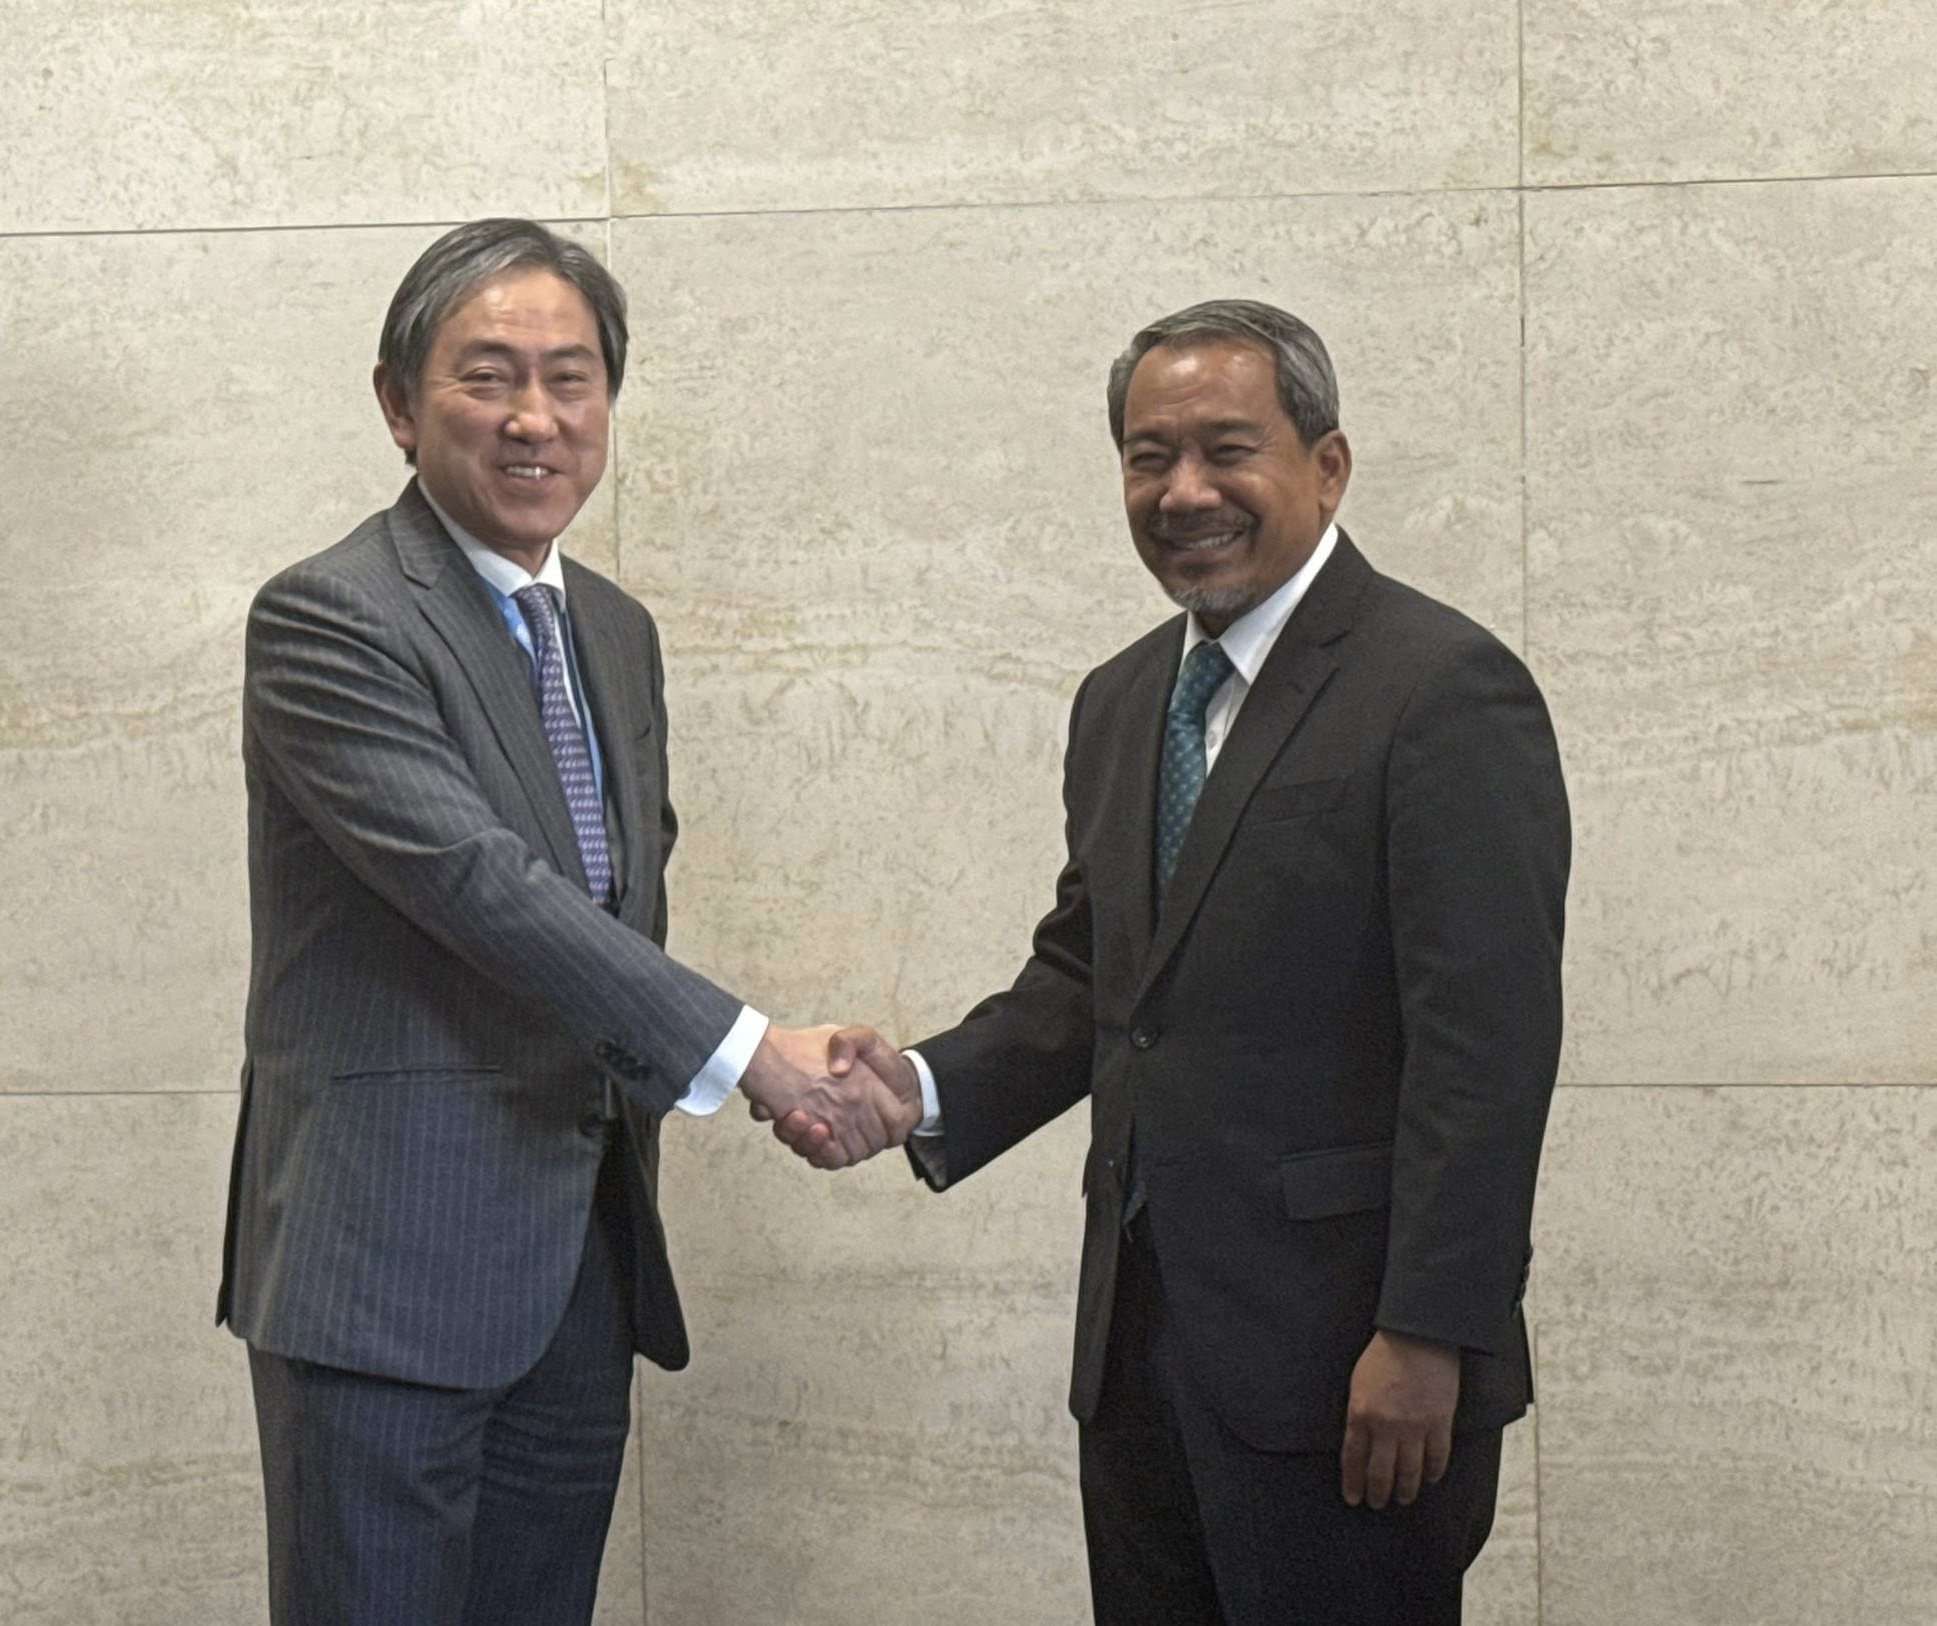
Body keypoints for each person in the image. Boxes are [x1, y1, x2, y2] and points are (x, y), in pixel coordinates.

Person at [776, 299, 1570, 1624]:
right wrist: (915, 1088)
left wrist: (1431, 1331)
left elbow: (1486, 1051)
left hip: (1354, 1365)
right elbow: (1096, 981)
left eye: (1227, 449)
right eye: (1149, 457)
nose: (1184, 490)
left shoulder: (1443, 689)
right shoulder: (1123, 700)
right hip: (1139, 1354)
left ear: (1328, 465)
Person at [216, 217, 916, 1626]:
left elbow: (616, 913)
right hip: (386, 1277)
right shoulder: (330, 618)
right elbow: (482, 887)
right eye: (487, 377)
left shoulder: (611, 629)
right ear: (399, 404)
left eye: (571, 377)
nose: (534, 417)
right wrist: (755, 1053)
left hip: (578, 1271)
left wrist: (767, 1058)